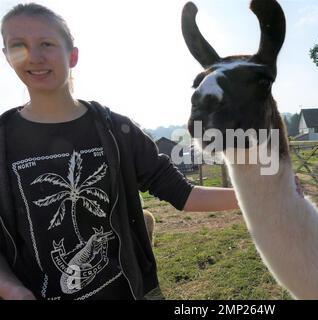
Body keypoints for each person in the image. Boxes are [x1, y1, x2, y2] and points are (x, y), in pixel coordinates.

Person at [0, 3, 242, 300]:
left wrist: (261, 197)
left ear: (72, 55)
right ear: (7, 56)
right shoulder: (2, 140)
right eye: (18, 46)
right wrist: (11, 290)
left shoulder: (117, 130)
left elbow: (183, 194)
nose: (34, 56)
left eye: (46, 44)